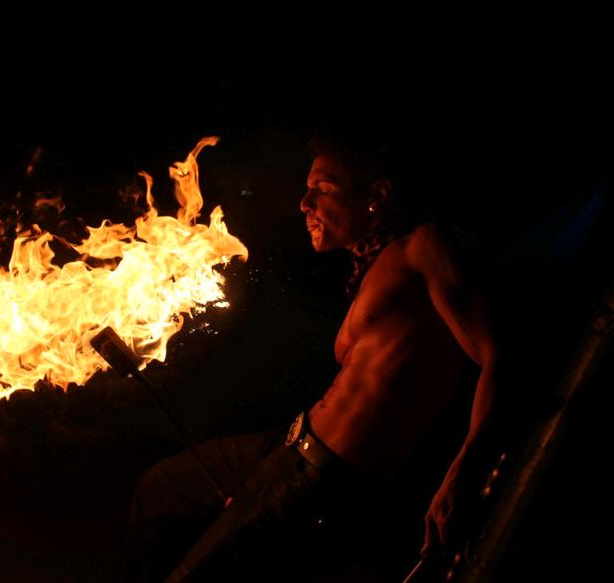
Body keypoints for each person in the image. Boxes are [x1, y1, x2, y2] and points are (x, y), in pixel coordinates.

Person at [126, 130, 506, 582]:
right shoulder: (373, 272)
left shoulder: (427, 247)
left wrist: (465, 470)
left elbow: (504, 359)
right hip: (290, 445)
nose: (304, 204)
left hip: (321, 481)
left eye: (323, 189)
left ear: (375, 195)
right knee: (158, 491)